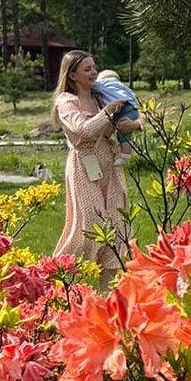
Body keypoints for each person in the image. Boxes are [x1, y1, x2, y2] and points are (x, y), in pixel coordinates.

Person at [52, 50, 140, 288]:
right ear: (72, 75)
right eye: (87, 69)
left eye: (94, 68)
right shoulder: (67, 102)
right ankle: (61, 276)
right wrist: (108, 112)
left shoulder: (102, 96)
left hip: (109, 163)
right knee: (90, 224)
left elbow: (124, 122)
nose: (93, 73)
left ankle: (108, 291)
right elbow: (83, 130)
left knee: (116, 223)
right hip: (84, 164)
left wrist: (133, 124)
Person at [92, 69, 142, 166]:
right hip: (132, 108)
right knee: (126, 136)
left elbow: (93, 86)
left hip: (123, 109)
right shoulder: (123, 87)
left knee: (123, 135)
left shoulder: (102, 84)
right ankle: (125, 156)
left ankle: (124, 157)